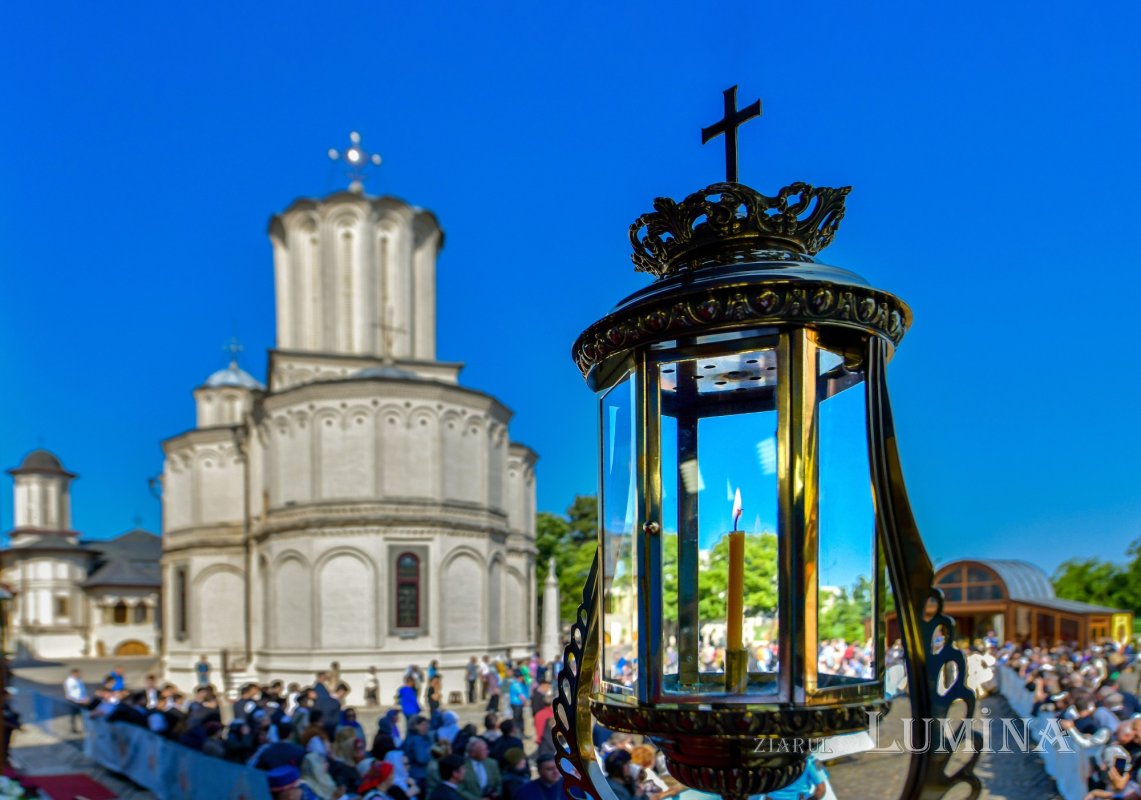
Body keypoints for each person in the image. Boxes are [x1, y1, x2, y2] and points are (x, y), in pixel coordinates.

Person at [403, 715, 434, 795]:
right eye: (423, 724)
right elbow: (421, 758)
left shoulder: (412, 738)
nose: (426, 727)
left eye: (427, 724)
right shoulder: (417, 740)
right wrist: (434, 755)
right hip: (419, 775)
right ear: (415, 726)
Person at [63, 668, 88, 733]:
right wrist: (76, 699)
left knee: (82, 715)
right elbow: (70, 692)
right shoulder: (69, 681)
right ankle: (73, 729)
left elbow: (82, 690)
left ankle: (85, 728)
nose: (79, 674)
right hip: (74, 700)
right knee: (73, 715)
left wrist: (85, 698)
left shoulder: (79, 680)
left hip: (81, 700)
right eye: (77, 673)